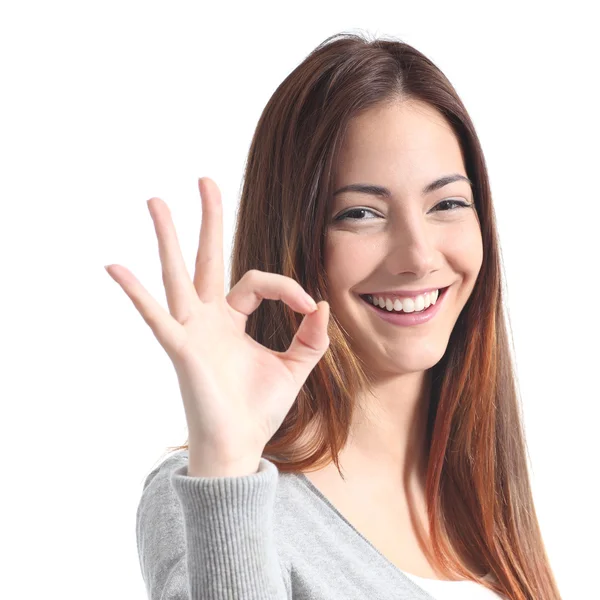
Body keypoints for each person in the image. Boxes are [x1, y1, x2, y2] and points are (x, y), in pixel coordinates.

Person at [106, 32, 562, 599]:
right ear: (294, 241)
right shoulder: (210, 491)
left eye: (446, 204)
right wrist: (224, 462)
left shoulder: (482, 504)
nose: (418, 256)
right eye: (361, 214)